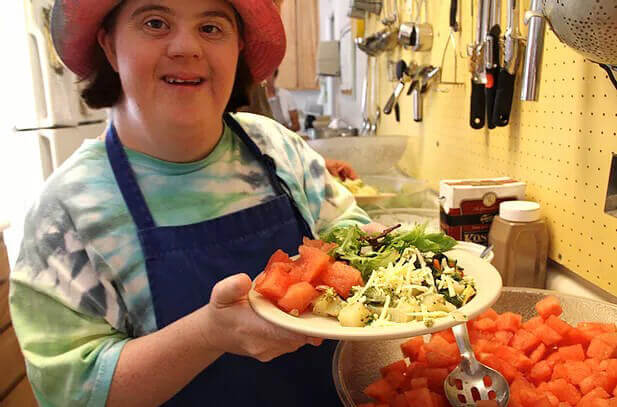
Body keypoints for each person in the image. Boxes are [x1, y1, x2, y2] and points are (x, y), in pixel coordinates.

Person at [8, 0, 374, 406]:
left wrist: (374, 249)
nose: (186, 47)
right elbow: (71, 392)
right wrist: (208, 334)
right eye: (155, 22)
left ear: (237, 48)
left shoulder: (278, 148)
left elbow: (347, 230)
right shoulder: (63, 215)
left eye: (212, 28)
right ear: (109, 46)